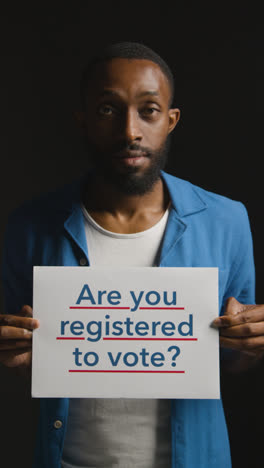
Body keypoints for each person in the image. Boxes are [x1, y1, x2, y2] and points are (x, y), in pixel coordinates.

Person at [1, 41, 264, 468]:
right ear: (82, 120)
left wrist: (250, 342)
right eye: (108, 109)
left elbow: (233, 359)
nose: (130, 131)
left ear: (171, 120)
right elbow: (28, 362)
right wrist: (15, 354)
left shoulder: (226, 220)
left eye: (149, 110)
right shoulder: (29, 226)